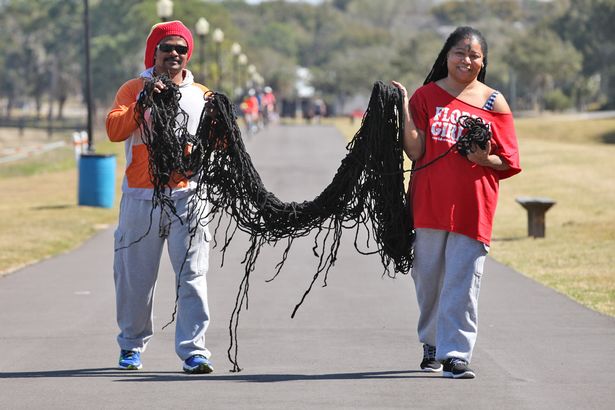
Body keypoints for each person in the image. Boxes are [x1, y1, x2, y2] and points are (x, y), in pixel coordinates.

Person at [392, 26, 521, 379]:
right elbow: (416, 150)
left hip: (473, 204)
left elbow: (509, 159)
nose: (467, 60)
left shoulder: (494, 102)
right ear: (446, 56)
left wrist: (483, 159)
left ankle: (455, 353)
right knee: (428, 277)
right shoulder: (425, 96)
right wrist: (404, 108)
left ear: (483, 61)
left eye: (474, 55)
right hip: (429, 202)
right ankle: (431, 343)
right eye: (460, 53)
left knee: (463, 280)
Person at [106, 20, 215, 374]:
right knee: (135, 278)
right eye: (167, 48)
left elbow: (220, 145)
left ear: (188, 56)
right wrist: (143, 102)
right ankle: (131, 347)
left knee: (193, 276)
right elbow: (113, 129)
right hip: (142, 198)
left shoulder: (202, 96)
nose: (174, 54)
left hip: (189, 198)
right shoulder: (133, 88)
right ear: (153, 52)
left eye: (181, 49)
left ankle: (193, 351)